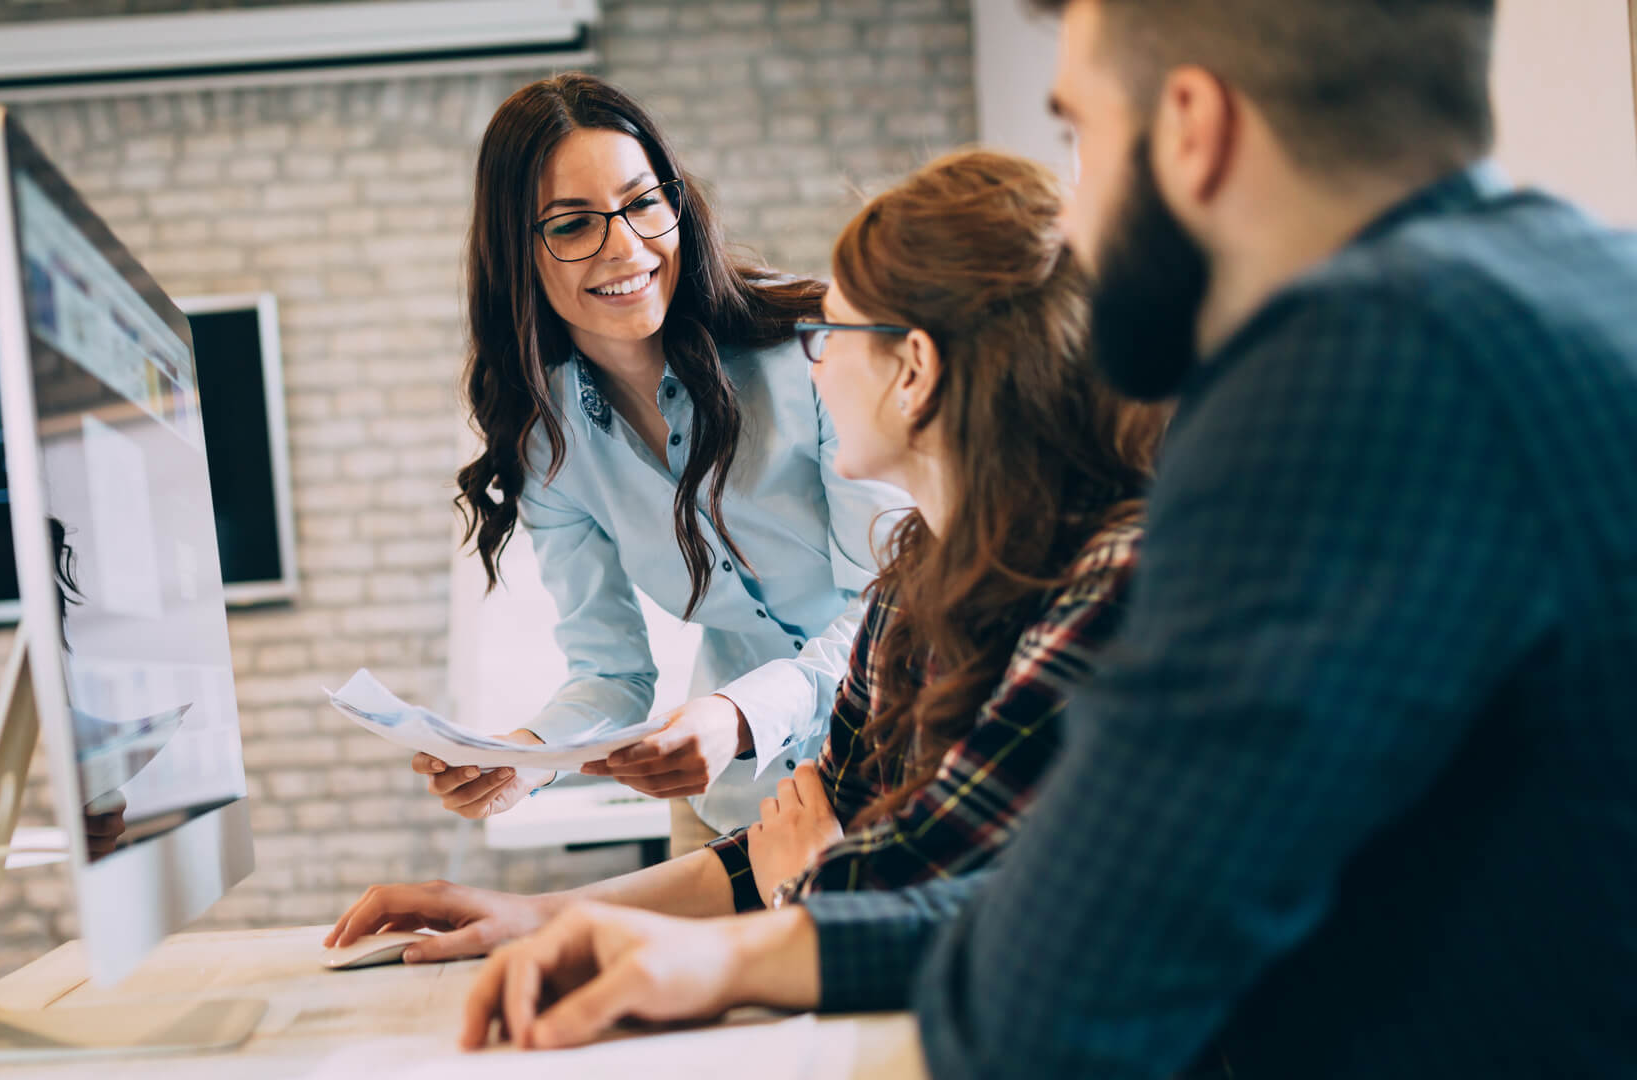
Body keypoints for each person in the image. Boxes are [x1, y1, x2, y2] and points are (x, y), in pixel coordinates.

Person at [460, 1, 1637, 1076]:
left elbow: (1055, 983)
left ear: (1190, 126)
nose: (1066, 219)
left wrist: (799, 895)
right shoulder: (1593, 288)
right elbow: (1069, 899)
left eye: (1078, 132)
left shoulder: (1328, 391)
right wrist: (729, 949)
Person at [327, 150, 1165, 962]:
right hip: (751, 814)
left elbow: (921, 911)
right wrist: (531, 889)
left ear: (913, 369)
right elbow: (821, 843)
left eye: (835, 329)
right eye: (574, 223)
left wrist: (797, 884)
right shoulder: (909, 589)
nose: (817, 352)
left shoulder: (1095, 596)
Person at [427, 72, 907, 852]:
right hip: (733, 809)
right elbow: (612, 673)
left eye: (644, 202)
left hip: (899, 777)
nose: (625, 247)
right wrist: (527, 758)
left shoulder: (813, 350)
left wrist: (740, 715)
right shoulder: (549, 443)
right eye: (573, 224)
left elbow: (889, 609)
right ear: (518, 253)